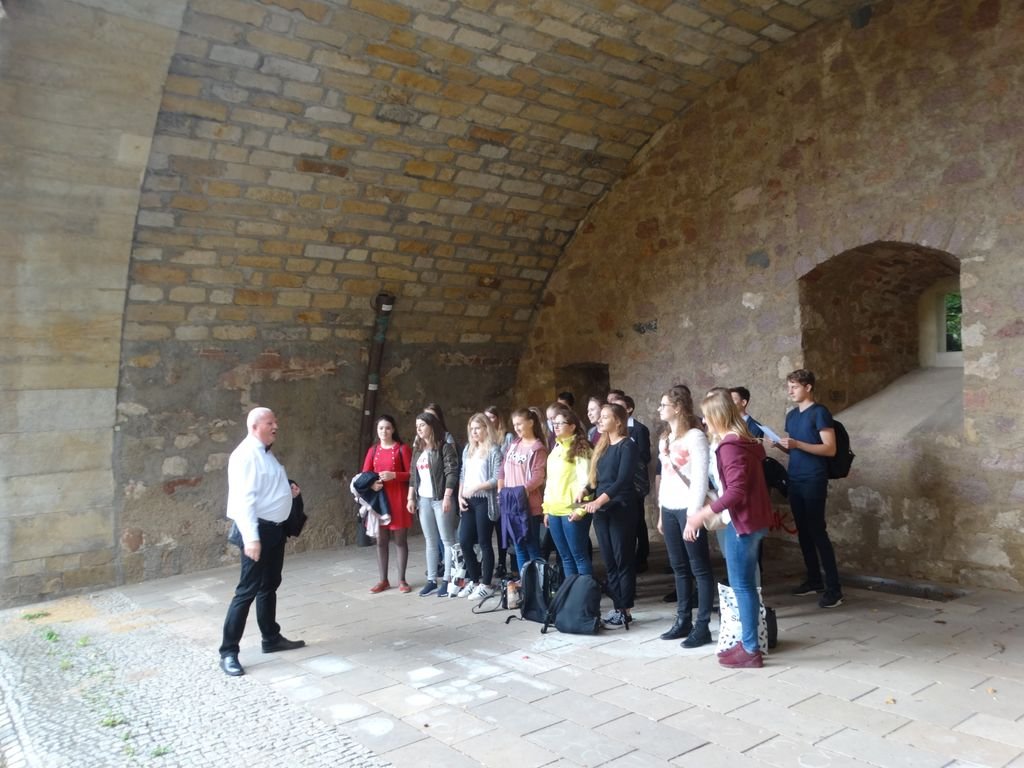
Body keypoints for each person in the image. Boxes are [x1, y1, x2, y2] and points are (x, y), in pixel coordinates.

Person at [686, 391, 773, 669]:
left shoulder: (730, 446)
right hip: (753, 519)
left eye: (706, 416)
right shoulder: (744, 441)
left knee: (742, 586)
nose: (704, 421)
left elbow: (736, 490)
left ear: (717, 416)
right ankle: (748, 642)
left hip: (741, 522)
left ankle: (750, 649)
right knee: (745, 585)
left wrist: (702, 514)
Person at [219, 407, 304, 677]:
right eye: (270, 422)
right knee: (246, 591)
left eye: (275, 421)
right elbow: (243, 500)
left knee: (269, 585)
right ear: (255, 427)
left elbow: (265, 487)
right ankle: (228, 652)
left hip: (274, 531)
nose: (276, 426)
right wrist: (252, 538)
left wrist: (287, 491)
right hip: (257, 531)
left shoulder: (265, 453)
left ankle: (271, 637)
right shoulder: (245, 455)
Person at [775, 369, 843, 608]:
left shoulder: (820, 412)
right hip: (795, 477)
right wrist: (781, 445)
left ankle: (834, 589)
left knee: (817, 531)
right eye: (789, 387)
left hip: (814, 478)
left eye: (794, 387)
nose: (790, 391)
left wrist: (798, 444)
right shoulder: (792, 415)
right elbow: (795, 448)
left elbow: (830, 449)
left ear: (808, 387)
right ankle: (814, 580)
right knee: (803, 532)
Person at [656, 385, 715, 647]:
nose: (660, 409)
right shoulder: (665, 439)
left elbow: (700, 479)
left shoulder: (695, 437)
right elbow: (665, 480)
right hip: (669, 508)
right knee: (679, 567)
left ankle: (702, 626)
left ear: (678, 407)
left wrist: (693, 516)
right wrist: (661, 512)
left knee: (699, 567)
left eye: (664, 405)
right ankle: (683, 620)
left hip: (688, 508)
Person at [584, 402, 639, 628]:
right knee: (609, 561)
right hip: (602, 509)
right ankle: (617, 607)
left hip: (621, 507)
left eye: (605, 417)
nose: (600, 420)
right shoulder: (602, 445)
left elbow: (623, 480)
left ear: (618, 421)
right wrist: (585, 491)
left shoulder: (627, 445)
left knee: (622, 559)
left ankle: (626, 609)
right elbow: (597, 478)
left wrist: (599, 500)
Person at [408, 411, 460, 597]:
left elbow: (451, 472)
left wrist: (447, 496)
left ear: (431, 426)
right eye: (417, 426)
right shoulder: (418, 450)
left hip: (440, 499)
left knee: (447, 540)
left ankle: (447, 579)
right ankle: (431, 580)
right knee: (430, 540)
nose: (419, 429)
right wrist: (411, 498)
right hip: (424, 500)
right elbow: (413, 476)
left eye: (422, 425)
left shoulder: (444, 447)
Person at [361, 415, 413, 594]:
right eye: (381, 428)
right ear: (377, 430)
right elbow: (365, 474)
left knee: (400, 540)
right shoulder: (373, 450)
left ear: (393, 429)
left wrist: (394, 475)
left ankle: (402, 580)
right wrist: (371, 484)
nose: (384, 431)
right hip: (379, 500)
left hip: (398, 498)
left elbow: (412, 474)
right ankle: (383, 580)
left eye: (388, 428)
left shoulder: (402, 449)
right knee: (381, 541)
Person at [542, 404, 593, 576]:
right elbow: (550, 482)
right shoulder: (556, 449)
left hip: (571, 509)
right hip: (555, 509)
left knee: (579, 555)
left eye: (560, 423)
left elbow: (587, 482)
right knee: (565, 557)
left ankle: (584, 590)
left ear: (572, 426)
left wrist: (580, 509)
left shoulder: (581, 448)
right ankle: (571, 591)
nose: (555, 426)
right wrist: (547, 509)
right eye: (554, 423)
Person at [456, 414, 503, 599]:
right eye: (472, 428)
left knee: (484, 542)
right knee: (465, 541)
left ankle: (486, 584)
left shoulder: (494, 450)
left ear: (486, 428)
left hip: (485, 500)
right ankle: (474, 581)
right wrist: (460, 495)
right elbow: (462, 474)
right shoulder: (468, 448)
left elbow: (496, 478)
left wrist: (476, 487)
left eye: (478, 428)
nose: (474, 432)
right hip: (468, 499)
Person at [499, 407, 548, 572]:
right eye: (514, 425)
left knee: (532, 547)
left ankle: (538, 584)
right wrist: (501, 490)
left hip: (528, 505)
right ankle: (526, 583)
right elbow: (502, 468)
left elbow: (538, 477)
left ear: (531, 423)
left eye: (519, 424)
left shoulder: (537, 448)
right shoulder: (514, 444)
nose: (516, 428)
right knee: (519, 547)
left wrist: (521, 492)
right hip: (511, 503)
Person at [608, 392, 652, 573]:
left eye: (619, 407)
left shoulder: (639, 429)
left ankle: (641, 556)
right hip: (617, 482)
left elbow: (645, 456)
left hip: (634, 482)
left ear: (629, 409)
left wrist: (627, 458)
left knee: (638, 520)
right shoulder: (609, 433)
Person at [484, 404, 516, 577]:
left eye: (492, 417)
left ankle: (505, 562)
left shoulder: (507, 436)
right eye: (486, 418)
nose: (489, 421)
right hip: (489, 487)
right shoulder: (485, 437)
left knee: (503, 528)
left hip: (504, 484)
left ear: (498, 418)